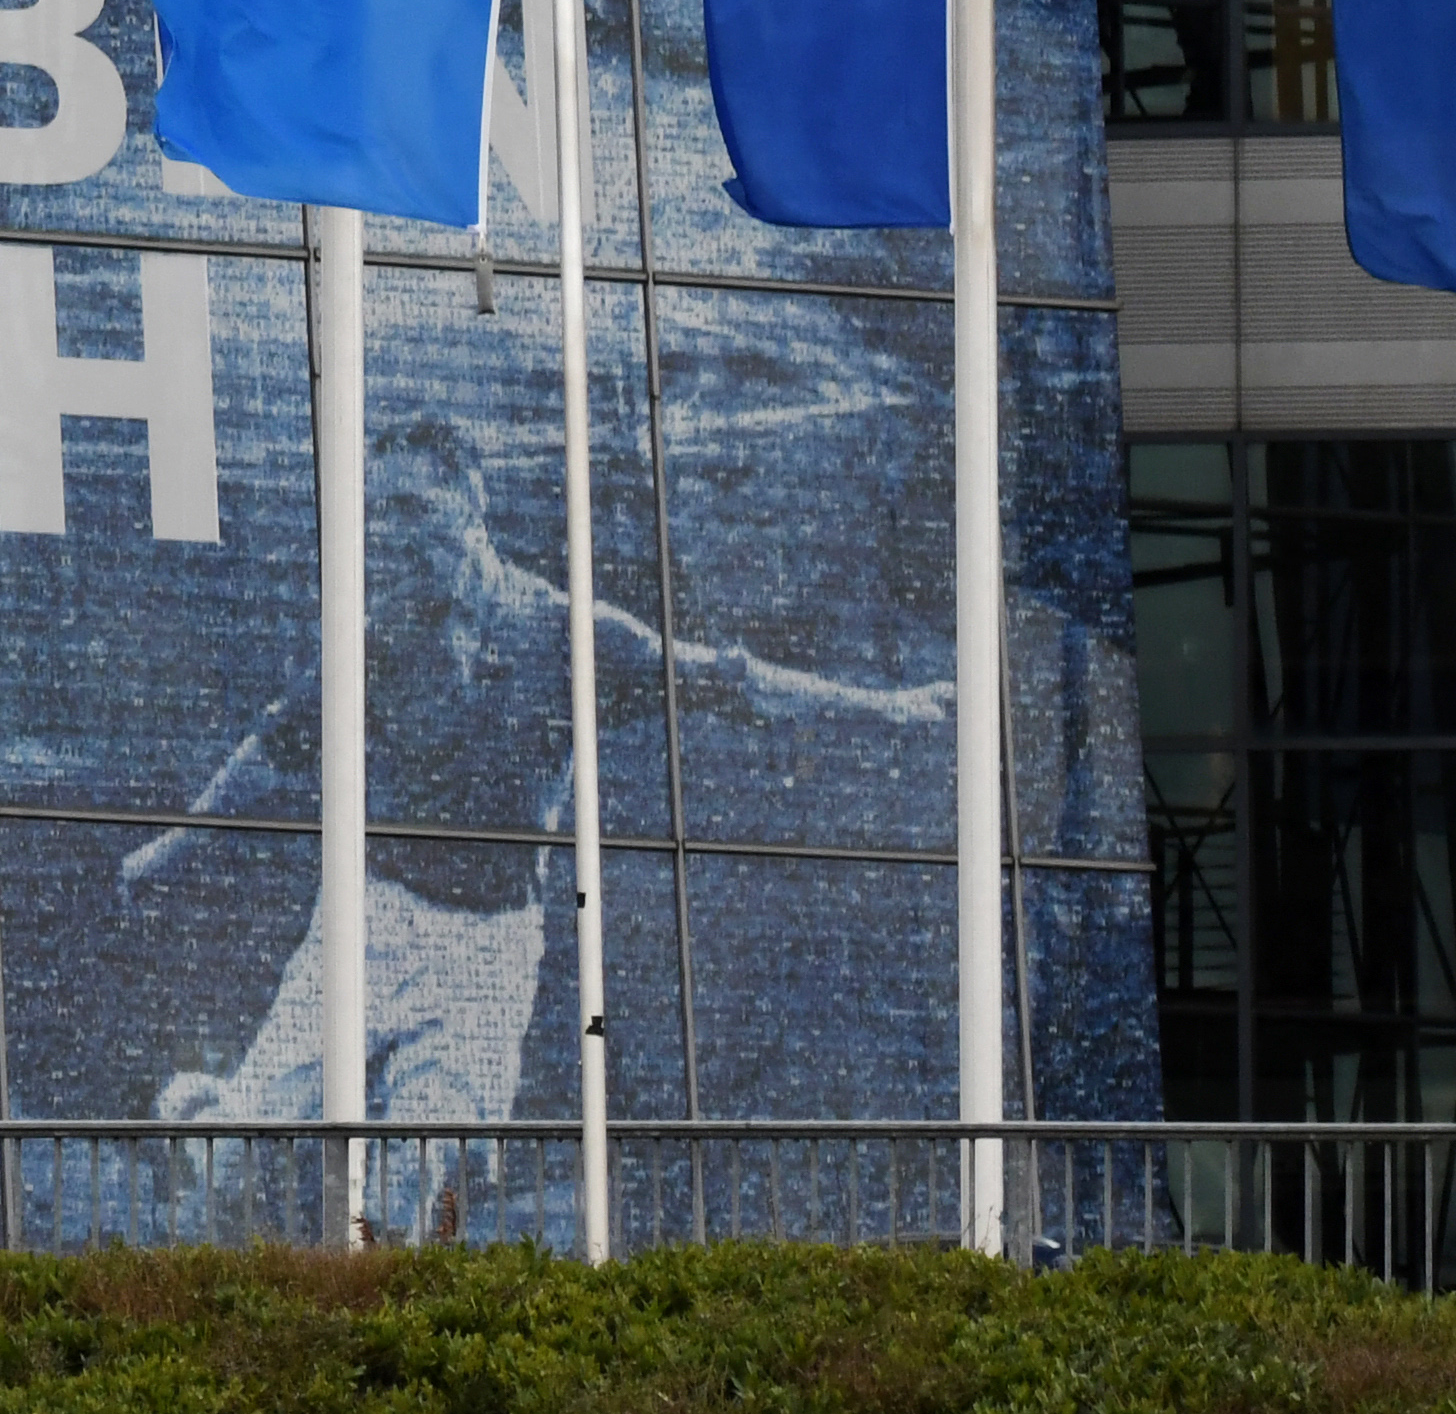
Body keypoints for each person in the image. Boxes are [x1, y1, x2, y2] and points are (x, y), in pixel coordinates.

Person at [125, 409, 945, 1128]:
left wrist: (887, 706)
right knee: (254, 1120)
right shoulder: (378, 640)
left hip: (490, 948)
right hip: (374, 920)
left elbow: (727, 678)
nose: (395, 532)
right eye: (381, 512)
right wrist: (167, 847)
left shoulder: (563, 635)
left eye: (414, 506)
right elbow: (271, 749)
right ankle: (210, 1131)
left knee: (424, 1162)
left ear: (472, 502)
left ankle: (389, 1281)